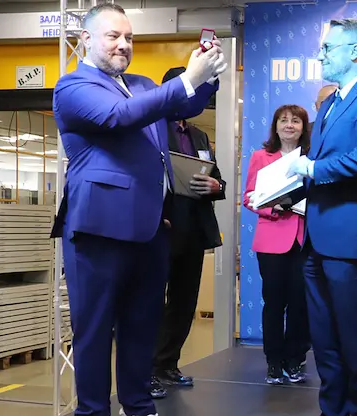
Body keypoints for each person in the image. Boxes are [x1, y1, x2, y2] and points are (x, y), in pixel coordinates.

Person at [50, 4, 225, 416]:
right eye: (113, 36)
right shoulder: (73, 87)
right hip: (97, 229)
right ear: (86, 39)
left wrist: (207, 75)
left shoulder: (143, 84)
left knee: (142, 328)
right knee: (94, 332)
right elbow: (118, 116)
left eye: (129, 38)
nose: (123, 45)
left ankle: (140, 408)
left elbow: (184, 106)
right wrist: (187, 79)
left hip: (149, 229)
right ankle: (92, 411)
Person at [256, 18, 357, 416]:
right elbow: (317, 173)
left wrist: (311, 169)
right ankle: (332, 408)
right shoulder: (331, 104)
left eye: (327, 48)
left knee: (355, 339)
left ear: (355, 52)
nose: (320, 55)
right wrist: (279, 195)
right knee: (324, 341)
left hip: (351, 240)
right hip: (315, 241)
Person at [149, 66, 226, 398]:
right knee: (152, 303)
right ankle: (146, 370)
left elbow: (215, 176)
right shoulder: (150, 129)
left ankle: (168, 364)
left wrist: (216, 186)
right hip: (160, 228)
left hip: (194, 229)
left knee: (184, 302)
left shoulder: (199, 136)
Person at [243, 104, 311, 386]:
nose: (289, 125)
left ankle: (295, 359)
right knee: (274, 303)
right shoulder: (261, 157)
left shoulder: (312, 159)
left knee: (300, 304)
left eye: (295, 121)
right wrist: (273, 207)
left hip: (305, 240)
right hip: (272, 241)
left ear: (303, 128)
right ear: (275, 126)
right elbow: (248, 197)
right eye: (283, 120)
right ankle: (273, 361)